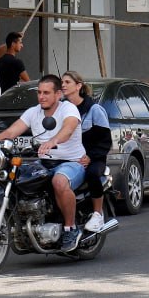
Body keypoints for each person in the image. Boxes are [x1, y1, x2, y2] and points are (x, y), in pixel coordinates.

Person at [0, 75, 87, 252]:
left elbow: (68, 128)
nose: (42, 96)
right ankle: (25, 224)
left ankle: (70, 228)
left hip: (71, 162)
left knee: (59, 181)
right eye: (40, 92)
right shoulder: (34, 112)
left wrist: (53, 141)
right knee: (17, 177)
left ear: (58, 94)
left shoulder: (68, 109)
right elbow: (13, 130)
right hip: (44, 162)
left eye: (47, 93)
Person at [62, 71, 115, 233]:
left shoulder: (94, 110)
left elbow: (105, 141)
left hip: (93, 158)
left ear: (78, 86)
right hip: (69, 157)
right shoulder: (61, 109)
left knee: (92, 174)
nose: (63, 85)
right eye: (61, 82)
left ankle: (97, 214)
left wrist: (90, 157)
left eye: (67, 82)